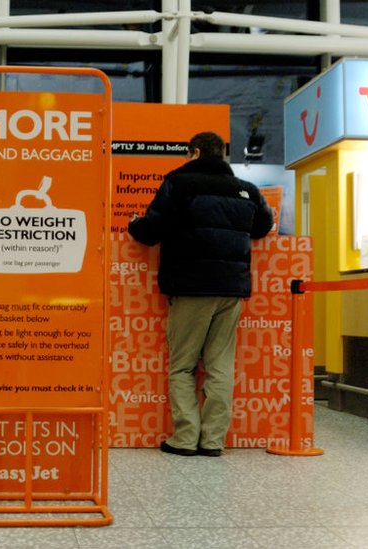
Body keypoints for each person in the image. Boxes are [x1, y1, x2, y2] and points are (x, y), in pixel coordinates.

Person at [128, 132, 274, 457]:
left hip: (191, 285)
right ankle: (212, 441)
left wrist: (134, 224)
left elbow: (150, 230)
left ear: (193, 152)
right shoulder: (247, 190)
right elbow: (263, 227)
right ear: (222, 155)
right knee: (220, 364)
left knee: (182, 366)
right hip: (232, 288)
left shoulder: (178, 184)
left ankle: (184, 438)